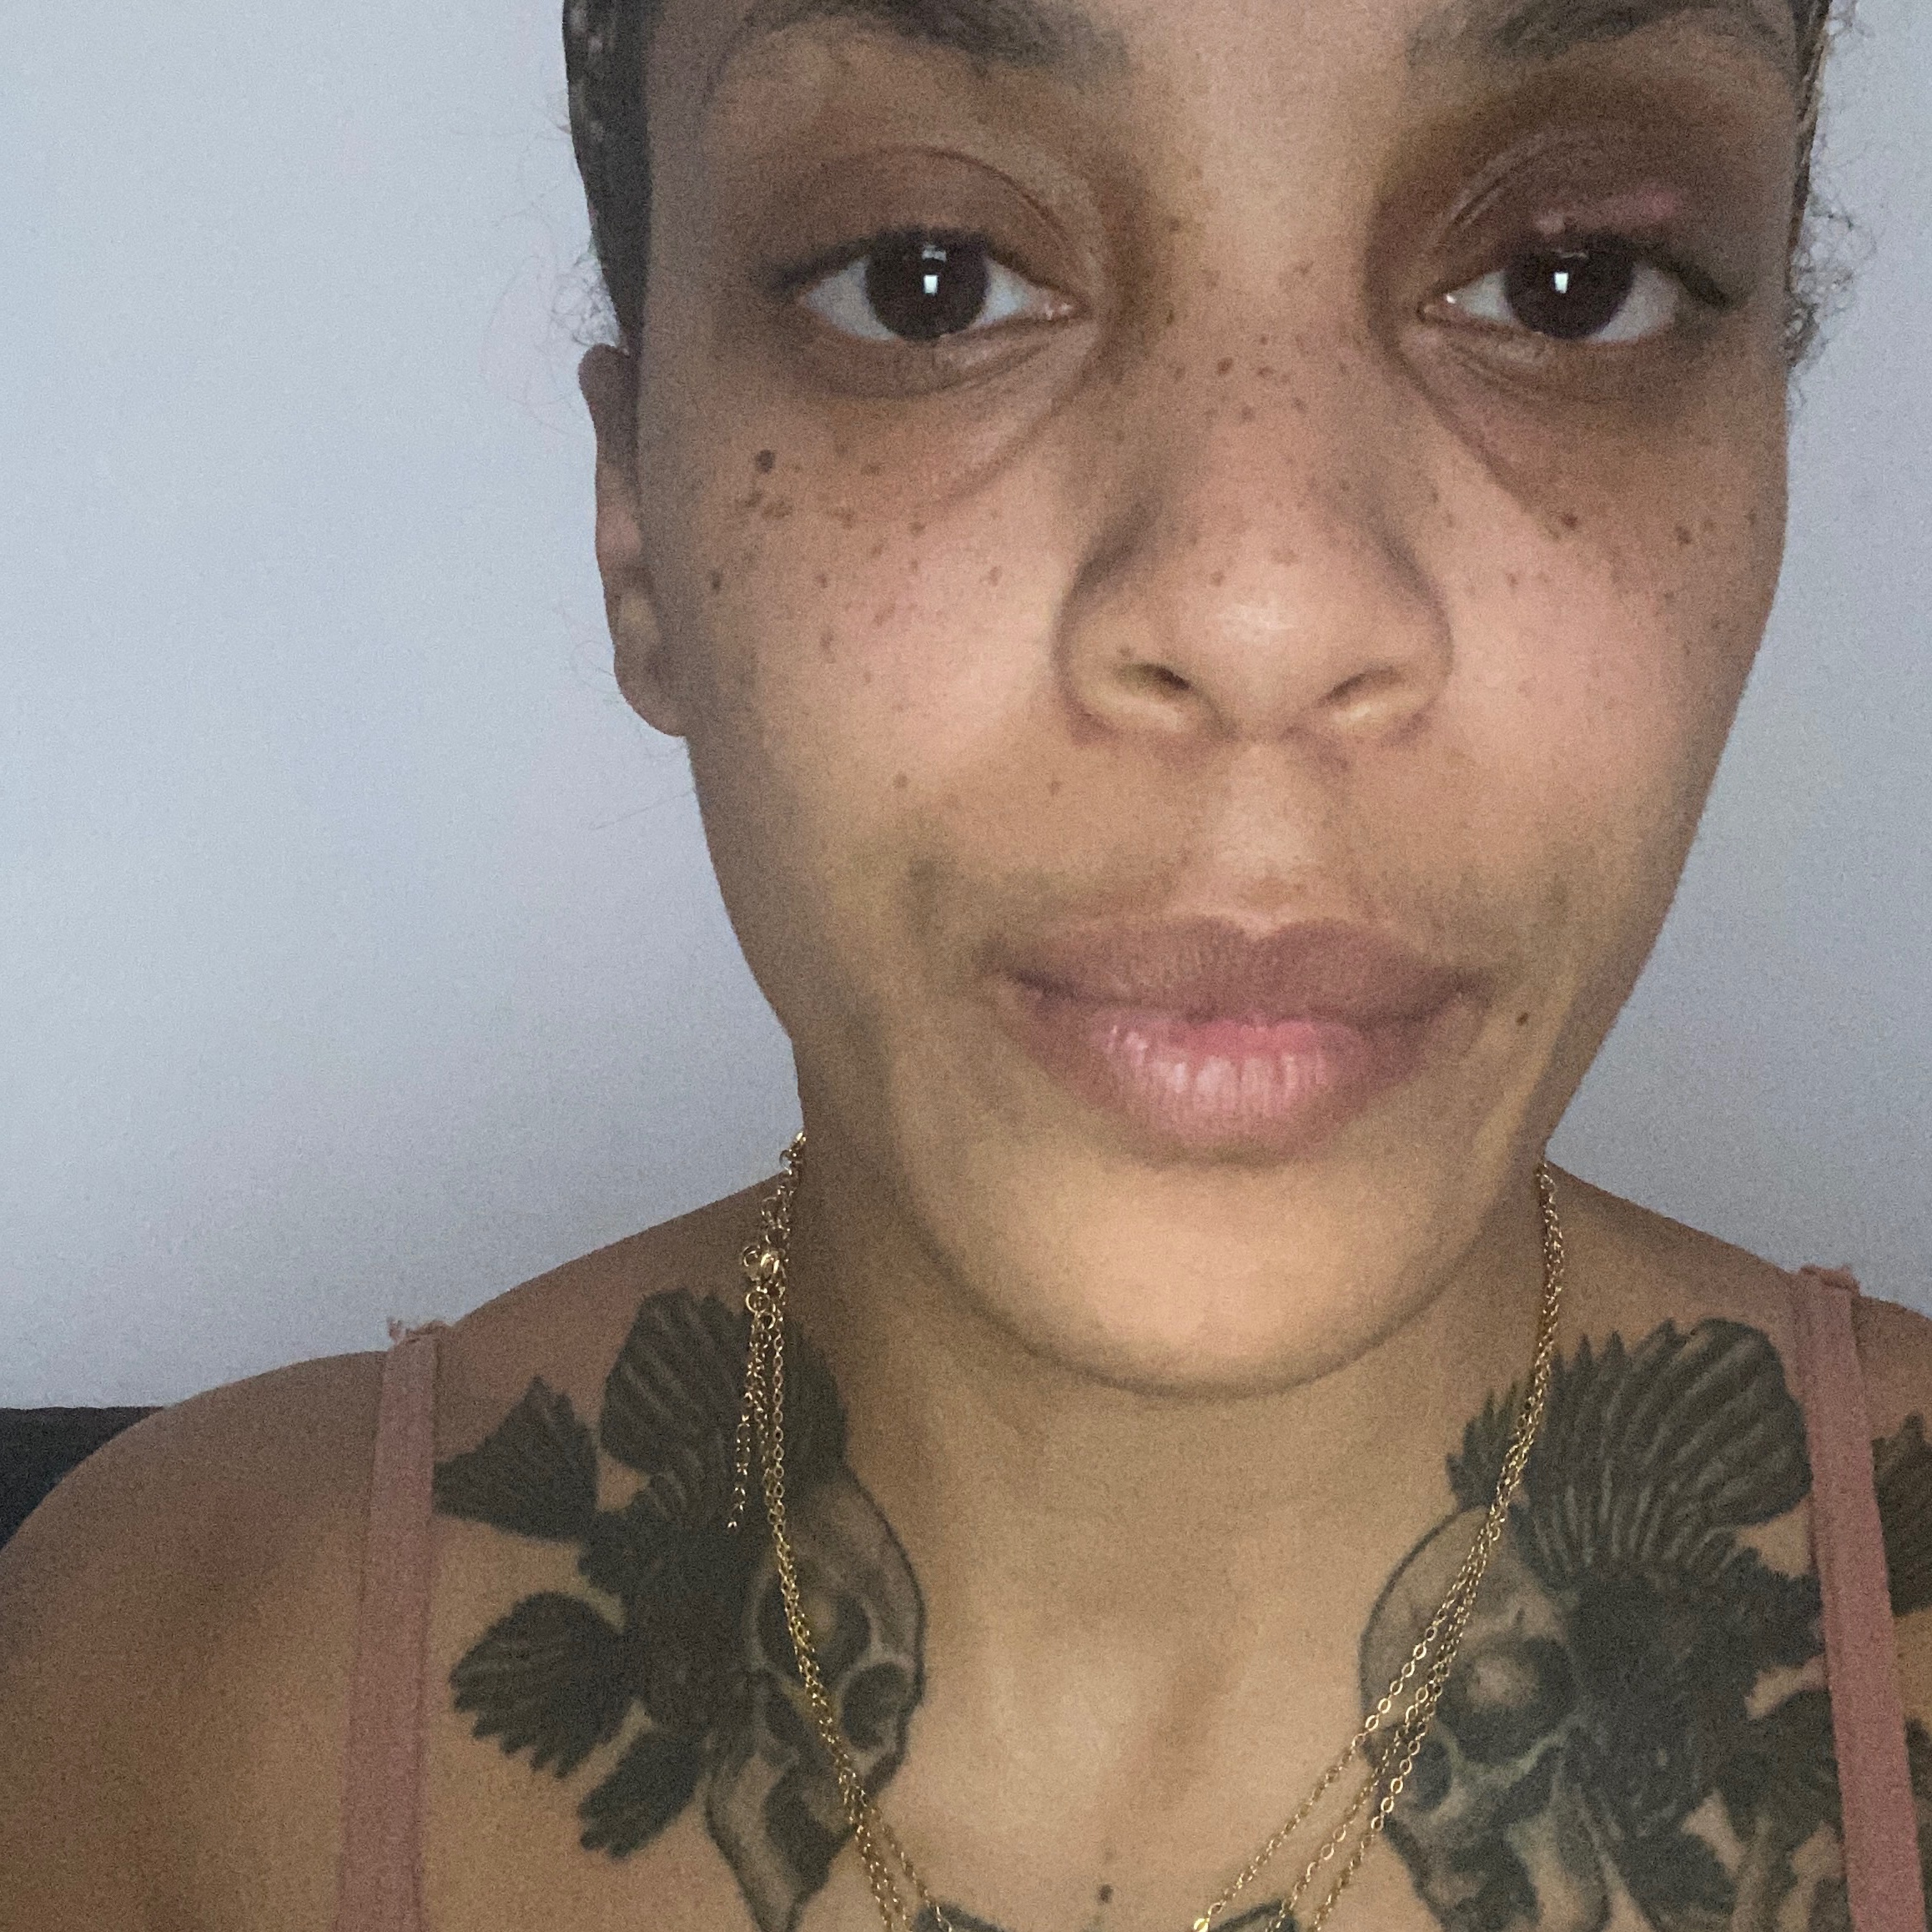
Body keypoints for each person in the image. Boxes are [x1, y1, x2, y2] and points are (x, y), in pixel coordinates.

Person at [3, 0, 1927, 1927]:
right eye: (925, 282)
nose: (1261, 609)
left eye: (1568, 287)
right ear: (638, 529)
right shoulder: (159, 1688)